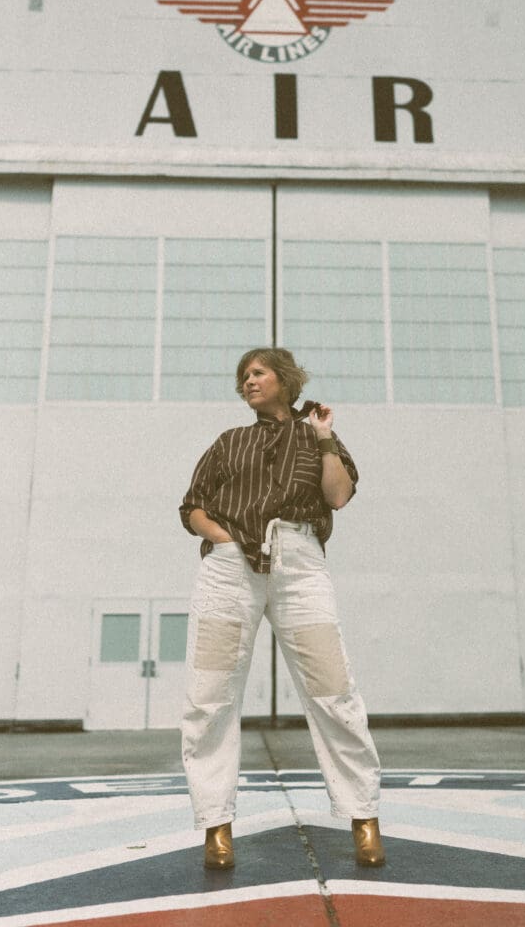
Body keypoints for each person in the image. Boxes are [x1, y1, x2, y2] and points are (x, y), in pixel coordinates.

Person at [179, 347, 384, 870]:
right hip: (230, 568)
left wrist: (324, 438)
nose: (248, 381)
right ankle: (216, 827)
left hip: (299, 560)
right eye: (243, 376)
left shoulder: (318, 435)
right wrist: (225, 540)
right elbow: (192, 506)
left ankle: (364, 817)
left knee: (333, 690)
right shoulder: (230, 442)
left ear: (285, 380)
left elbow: (337, 496)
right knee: (210, 695)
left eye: (258, 372)